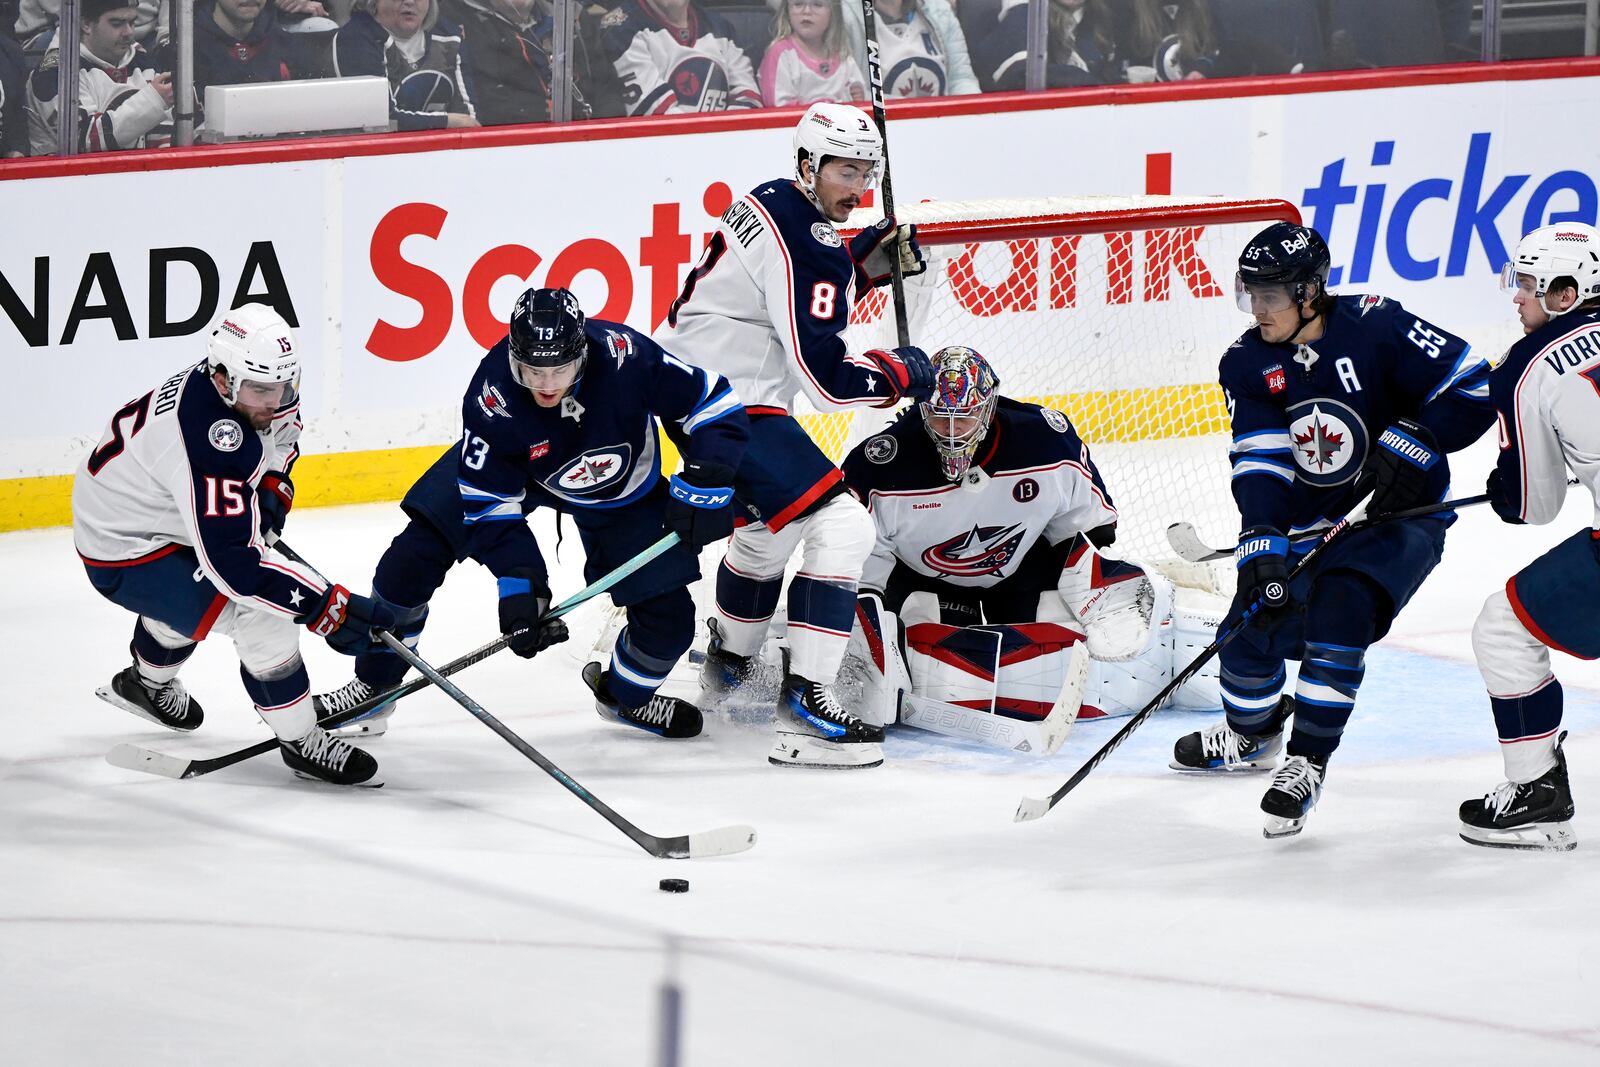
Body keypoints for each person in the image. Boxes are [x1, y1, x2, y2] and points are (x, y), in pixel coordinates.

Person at [1169, 221, 1494, 838]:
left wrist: (1420, 439)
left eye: (1271, 296)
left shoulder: (1377, 325)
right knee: (1246, 625)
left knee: (1340, 609)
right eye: (1251, 294)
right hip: (1310, 520)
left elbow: (1475, 382)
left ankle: (1306, 761)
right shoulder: (1245, 362)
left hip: (1396, 516)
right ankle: (1251, 733)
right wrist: (1260, 544)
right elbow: (1261, 461)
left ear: (1310, 292)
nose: (1257, 308)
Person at [313, 287, 749, 742]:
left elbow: (711, 401)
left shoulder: (625, 356)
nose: (546, 384)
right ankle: (375, 687)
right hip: (521, 474)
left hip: (620, 493)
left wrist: (707, 482)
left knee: (670, 622)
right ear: (512, 355)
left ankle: (625, 696)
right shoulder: (493, 394)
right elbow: (488, 504)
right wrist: (521, 585)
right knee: (410, 560)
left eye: (560, 368)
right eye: (532, 370)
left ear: (582, 353)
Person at [655, 101, 933, 770]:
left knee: (768, 528)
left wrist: (855, 265)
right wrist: (898, 373)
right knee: (844, 525)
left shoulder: (772, 198)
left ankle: (727, 670)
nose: (859, 189)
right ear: (808, 164)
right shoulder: (813, 244)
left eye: (867, 171)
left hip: (691, 385)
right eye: (845, 170)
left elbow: (780, 286)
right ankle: (807, 701)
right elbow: (826, 381)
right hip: (731, 404)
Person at [73, 304, 399, 786]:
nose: (275, 400)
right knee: (262, 614)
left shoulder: (249, 385)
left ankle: (144, 684)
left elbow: (282, 436)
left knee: (198, 595)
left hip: (151, 512)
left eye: (285, 387)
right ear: (223, 379)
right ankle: (302, 741)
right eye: (261, 391)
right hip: (126, 547)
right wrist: (325, 606)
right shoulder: (210, 437)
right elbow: (237, 570)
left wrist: (271, 488)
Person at [837, 346, 1224, 745]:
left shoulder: (1044, 441)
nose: (952, 431)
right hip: (925, 584)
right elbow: (858, 563)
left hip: (1018, 577)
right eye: (939, 415)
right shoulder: (879, 464)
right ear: (921, 410)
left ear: (988, 407)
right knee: (904, 626)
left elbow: (1093, 532)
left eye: (965, 416)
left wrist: (1093, 581)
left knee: (1073, 615)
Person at [1457, 222, 1600, 852]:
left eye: (1527, 285)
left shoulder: (1529, 364)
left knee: (1502, 628)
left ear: (1565, 293)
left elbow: (1533, 505)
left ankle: (1536, 792)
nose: (1517, 298)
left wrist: (1503, 486)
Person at [25, 0, 172, 156]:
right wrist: (154, 101)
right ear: (86, 24)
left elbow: (171, 132)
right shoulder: (54, 72)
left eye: (132, 22)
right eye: (117, 23)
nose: (128, 32)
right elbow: (85, 140)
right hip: (66, 177)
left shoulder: (142, 60)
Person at [332, 0, 480, 130]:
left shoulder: (449, 35)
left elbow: (468, 118)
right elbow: (379, 122)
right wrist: (446, 121)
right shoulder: (356, 38)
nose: (410, 1)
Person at [598, 0, 760, 115]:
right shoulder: (620, 30)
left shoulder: (721, 28)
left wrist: (727, 140)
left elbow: (749, 98)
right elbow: (656, 116)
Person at [839, 0, 978, 99]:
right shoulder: (845, 17)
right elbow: (851, 94)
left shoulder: (940, 10)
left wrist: (974, 115)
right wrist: (912, 114)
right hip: (881, 132)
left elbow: (961, 79)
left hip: (946, 126)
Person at [759, 0, 866, 107]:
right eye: (798, 4)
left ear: (833, 13)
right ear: (787, 11)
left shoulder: (842, 53)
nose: (807, 11)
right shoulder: (780, 53)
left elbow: (858, 94)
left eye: (817, 5)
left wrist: (857, 95)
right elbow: (779, 109)